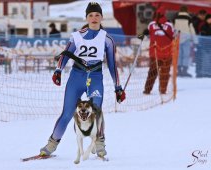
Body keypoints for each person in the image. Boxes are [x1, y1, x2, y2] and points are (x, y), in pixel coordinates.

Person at [39, 2, 126, 157]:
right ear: (86, 17)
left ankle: (99, 143)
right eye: (91, 15)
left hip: (95, 77)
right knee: (67, 113)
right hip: (76, 77)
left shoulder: (107, 39)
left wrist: (118, 87)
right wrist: (58, 70)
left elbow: (112, 65)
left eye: (97, 15)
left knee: (97, 111)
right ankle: (52, 144)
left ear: (101, 17)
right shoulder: (77, 36)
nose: (94, 18)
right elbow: (66, 53)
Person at [142, 7, 174, 94]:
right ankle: (163, 90)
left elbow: (147, 32)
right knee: (165, 72)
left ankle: (147, 90)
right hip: (166, 53)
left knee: (152, 72)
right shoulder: (170, 25)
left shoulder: (151, 24)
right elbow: (173, 36)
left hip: (154, 53)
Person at [173, 5, 197, 77]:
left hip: (178, 38)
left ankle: (179, 70)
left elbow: (173, 28)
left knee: (178, 55)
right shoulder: (189, 18)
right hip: (187, 38)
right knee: (186, 55)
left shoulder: (175, 18)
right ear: (187, 10)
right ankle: (185, 71)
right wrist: (195, 40)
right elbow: (191, 29)